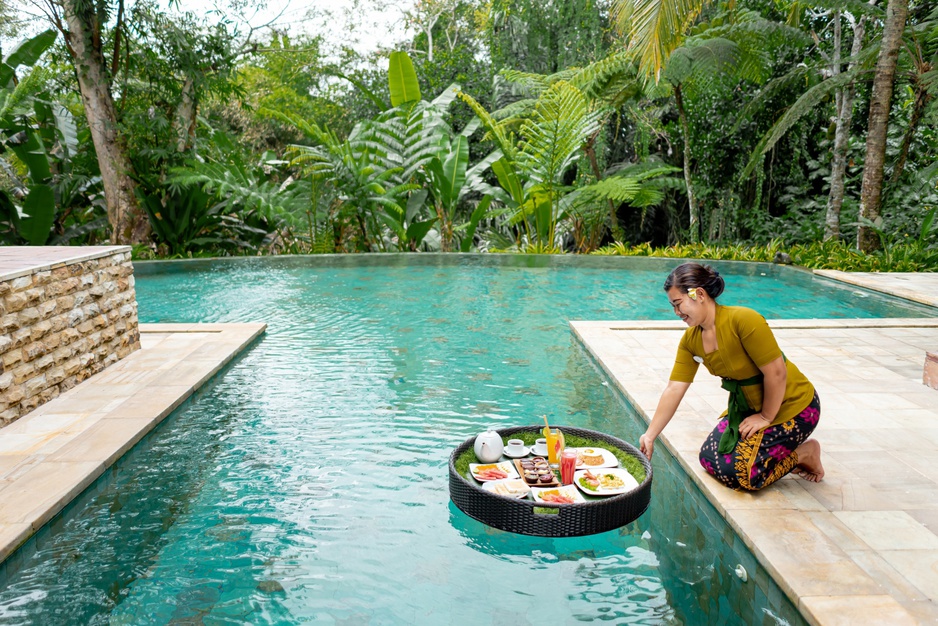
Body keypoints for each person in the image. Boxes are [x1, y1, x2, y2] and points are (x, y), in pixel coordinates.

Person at [638, 262, 824, 490]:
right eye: (673, 306)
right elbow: (675, 388)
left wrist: (766, 417)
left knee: (747, 476)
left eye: (678, 304)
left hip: (794, 404)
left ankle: (806, 452)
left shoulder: (744, 320)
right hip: (747, 409)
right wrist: (650, 435)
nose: (677, 313)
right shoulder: (691, 341)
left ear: (700, 294)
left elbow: (776, 372)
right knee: (710, 459)